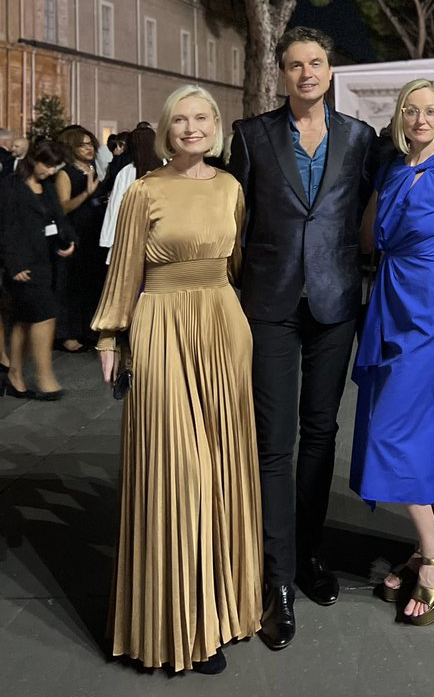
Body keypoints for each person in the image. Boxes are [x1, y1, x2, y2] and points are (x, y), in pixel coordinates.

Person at [92, 85, 262, 674]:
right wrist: (111, 336)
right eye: (180, 120)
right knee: (177, 469)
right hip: (162, 326)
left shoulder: (232, 188)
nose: (192, 128)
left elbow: (238, 263)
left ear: (216, 125)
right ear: (167, 130)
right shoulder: (144, 190)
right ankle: (177, 624)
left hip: (223, 325)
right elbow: (125, 270)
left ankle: (223, 609)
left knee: (222, 469)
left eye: (201, 118)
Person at [229, 26, 377, 651]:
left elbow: (367, 210)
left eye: (316, 63)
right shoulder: (250, 135)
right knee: (274, 440)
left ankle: (311, 552)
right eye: (295, 65)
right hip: (270, 302)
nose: (307, 74)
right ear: (282, 74)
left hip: (337, 302)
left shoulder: (360, 138)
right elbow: (236, 219)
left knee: (322, 432)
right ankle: (277, 577)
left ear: (331, 70)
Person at [350, 80, 434, 623]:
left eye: (431, 111)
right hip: (387, 301)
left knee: (396, 429)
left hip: (430, 313)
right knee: (388, 423)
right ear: (399, 117)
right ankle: (431, 542)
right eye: (411, 110)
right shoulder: (391, 170)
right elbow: (365, 240)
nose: (421, 118)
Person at [0, 141, 75, 399]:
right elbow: (6, 227)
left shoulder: (48, 187)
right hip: (22, 265)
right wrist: (14, 263)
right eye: (48, 165)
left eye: (55, 166)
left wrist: (68, 240)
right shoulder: (10, 186)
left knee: (24, 320)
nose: (52, 171)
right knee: (45, 315)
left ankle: (15, 376)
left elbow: (59, 218)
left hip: (44, 261)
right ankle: (44, 377)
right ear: (34, 160)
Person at [55, 125, 105, 351]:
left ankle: (89, 330)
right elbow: (63, 207)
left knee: (91, 282)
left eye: (90, 143)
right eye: (82, 145)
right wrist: (86, 193)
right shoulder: (66, 173)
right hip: (75, 234)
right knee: (72, 285)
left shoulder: (93, 168)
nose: (88, 148)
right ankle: (69, 334)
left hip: (94, 233)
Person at [99, 126, 162, 260]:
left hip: (133, 234)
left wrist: (108, 239)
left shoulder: (127, 172)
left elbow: (115, 207)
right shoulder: (168, 168)